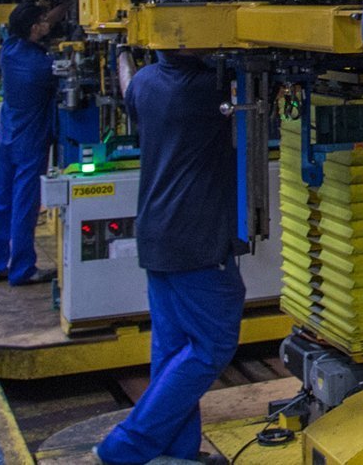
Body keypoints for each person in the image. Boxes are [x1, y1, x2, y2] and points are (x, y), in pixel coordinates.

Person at [96, 50, 241, 465]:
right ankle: (125, 446)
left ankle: (177, 452)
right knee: (212, 345)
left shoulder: (144, 84)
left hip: (156, 233)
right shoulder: (206, 89)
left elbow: (127, 85)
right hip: (196, 239)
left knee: (172, 348)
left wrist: (122, 54)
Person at [0, 0, 67, 286]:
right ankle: (22, 269)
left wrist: (61, 7)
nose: (46, 24)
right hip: (30, 141)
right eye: (42, 21)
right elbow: (61, 73)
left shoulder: (10, 49)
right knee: (25, 205)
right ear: (33, 28)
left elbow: (39, 26)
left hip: (8, 136)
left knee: (1, 201)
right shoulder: (41, 66)